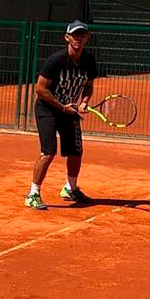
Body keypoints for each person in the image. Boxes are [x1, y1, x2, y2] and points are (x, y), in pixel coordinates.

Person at [25, 20, 98, 210]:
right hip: (47, 109)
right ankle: (33, 193)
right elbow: (40, 89)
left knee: (76, 151)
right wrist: (62, 107)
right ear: (67, 37)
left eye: (82, 35)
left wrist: (83, 102)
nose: (78, 39)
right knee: (48, 152)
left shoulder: (89, 61)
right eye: (75, 35)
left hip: (69, 110)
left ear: (87, 38)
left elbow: (89, 86)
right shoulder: (56, 60)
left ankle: (70, 189)